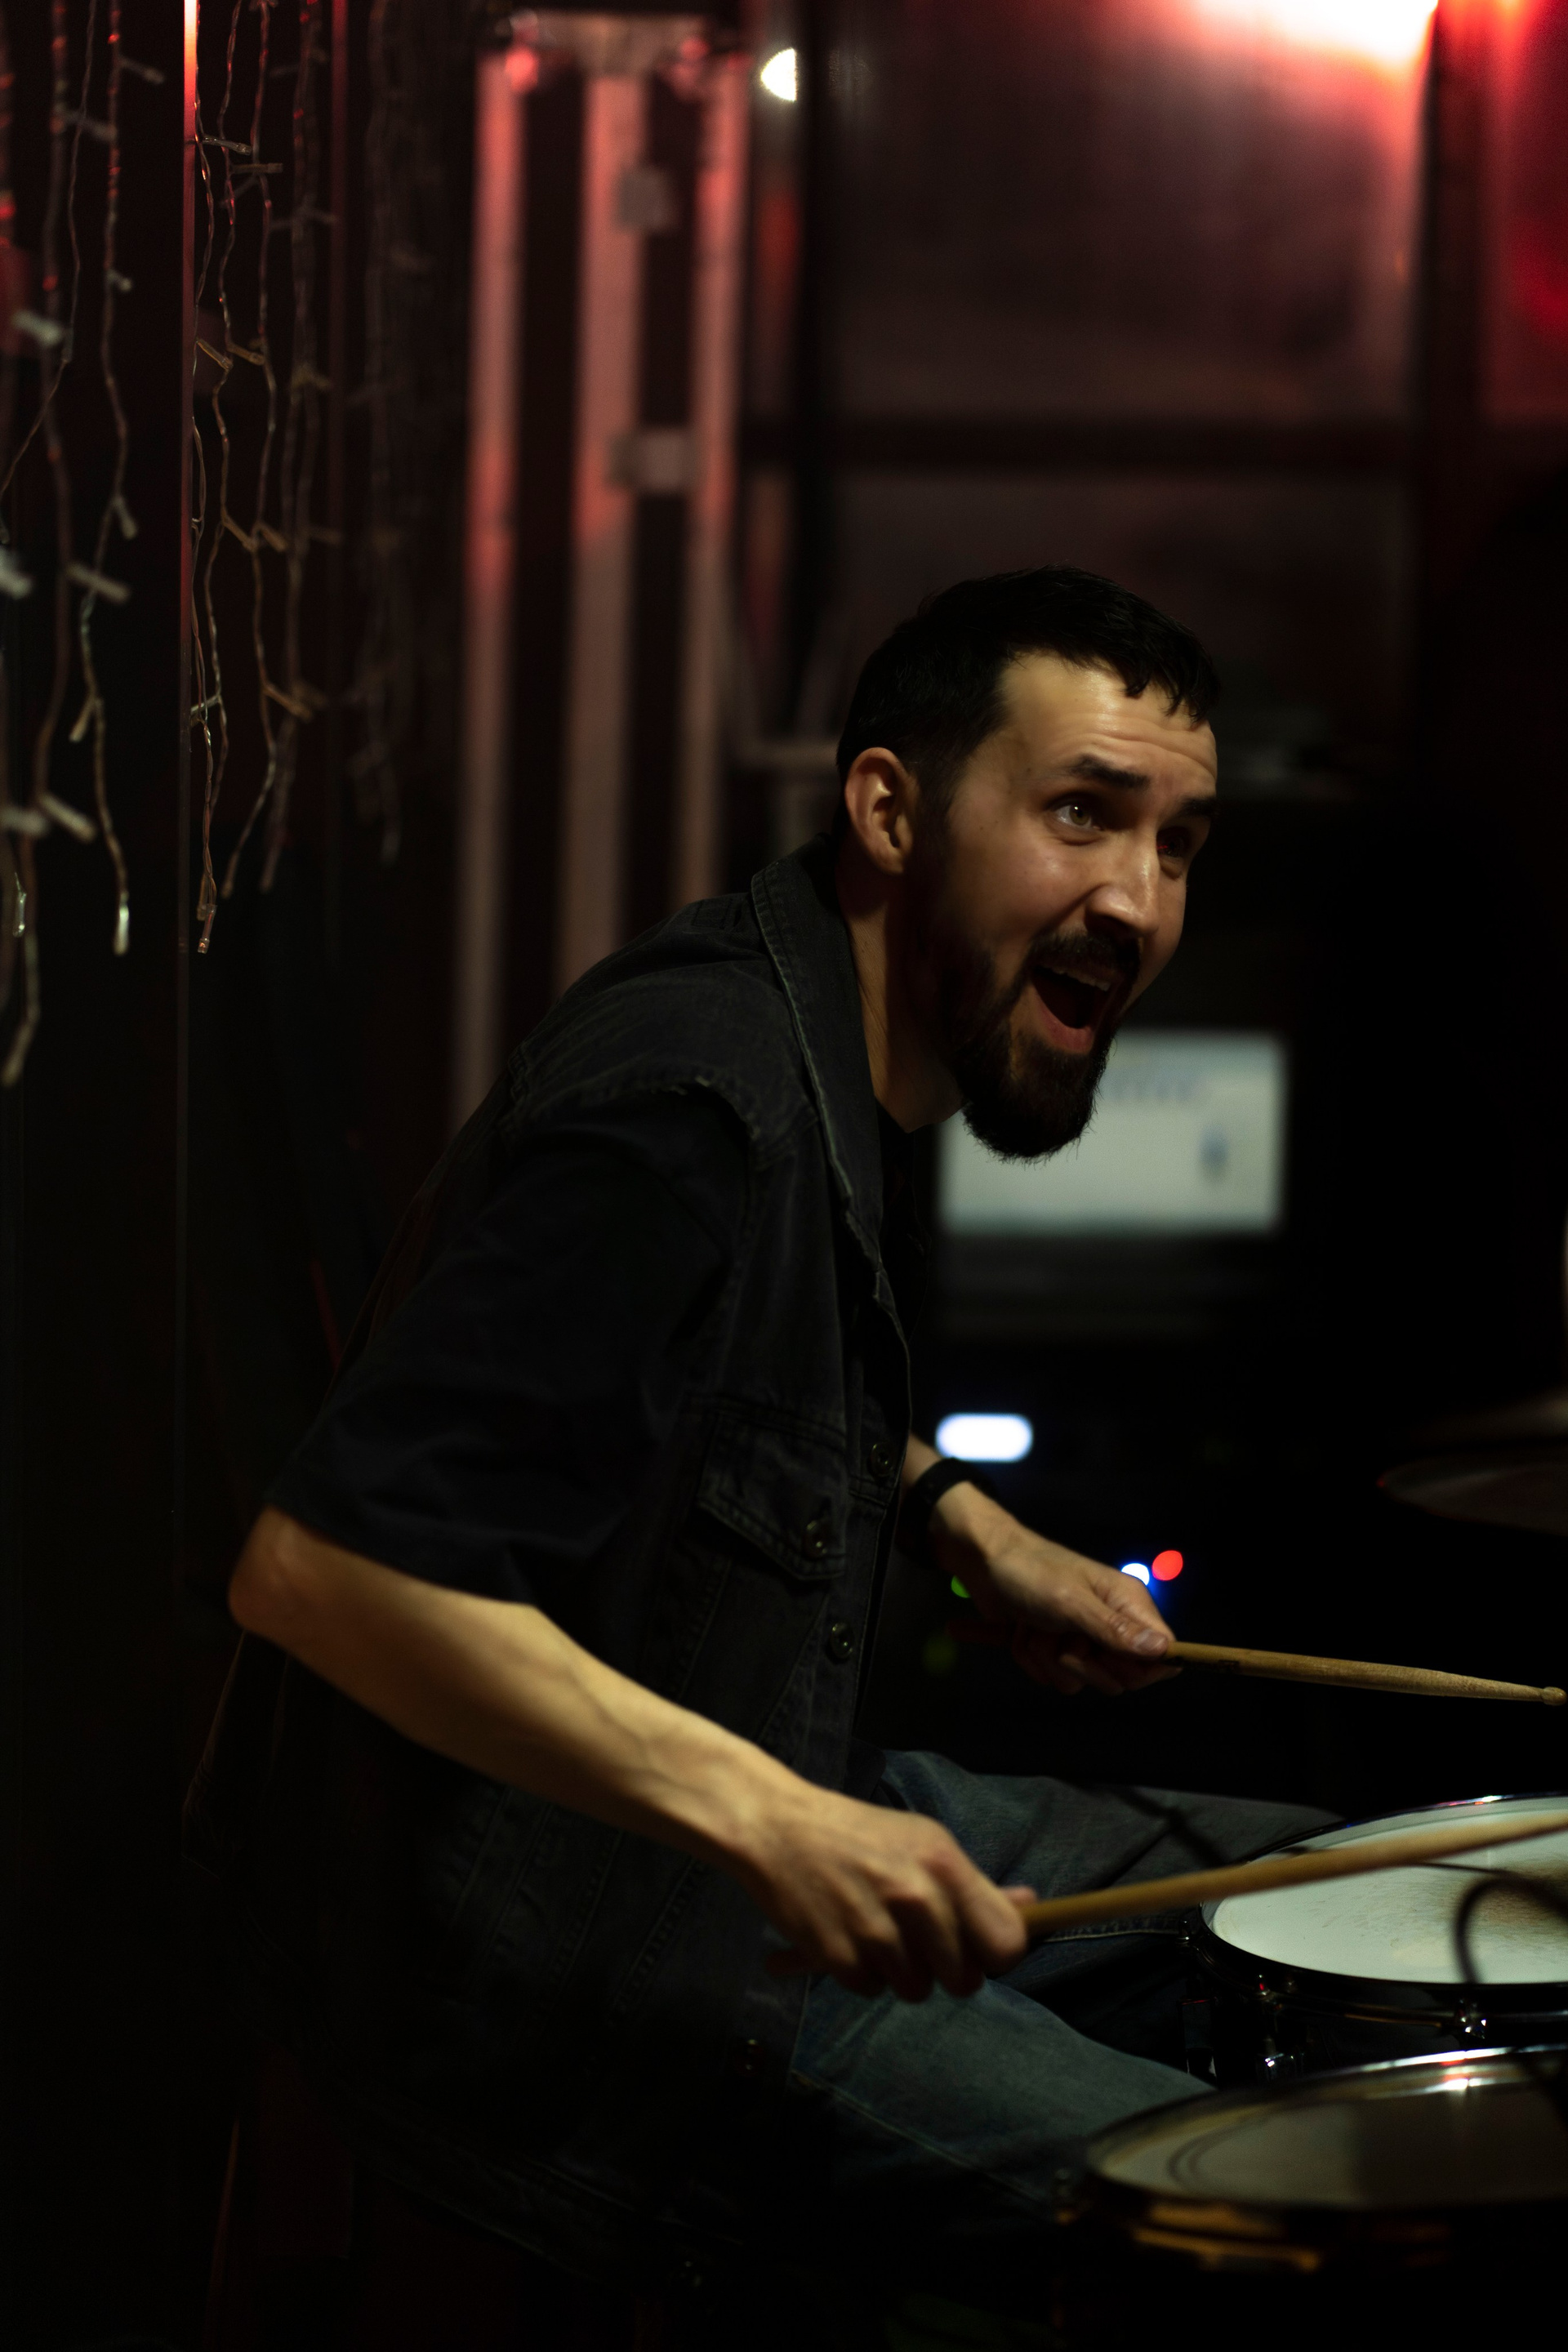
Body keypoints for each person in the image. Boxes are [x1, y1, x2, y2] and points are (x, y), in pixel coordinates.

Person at [186, 568, 1326, 2323]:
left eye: (1177, 843)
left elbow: (695, 1375)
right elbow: (326, 1573)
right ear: (889, 809)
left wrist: (959, 1519)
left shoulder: (830, 1037)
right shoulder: (693, 1108)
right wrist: (782, 1824)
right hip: (563, 1978)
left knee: (1317, 1892)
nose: (1138, 900)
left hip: (735, 1778)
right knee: (1282, 2210)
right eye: (1081, 813)